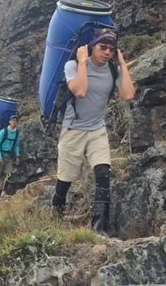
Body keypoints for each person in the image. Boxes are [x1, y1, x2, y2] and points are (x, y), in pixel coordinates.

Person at [51, 29, 135, 234]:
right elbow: (80, 91)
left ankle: (100, 228)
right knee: (65, 180)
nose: (107, 52)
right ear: (92, 47)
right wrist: (82, 61)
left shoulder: (113, 70)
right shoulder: (72, 66)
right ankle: (55, 220)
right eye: (103, 47)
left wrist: (123, 65)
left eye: (112, 49)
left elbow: (128, 95)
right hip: (73, 130)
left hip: (97, 129)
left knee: (103, 173)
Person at [0, 114, 20, 196]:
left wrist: (17, 156)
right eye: (13, 121)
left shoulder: (17, 133)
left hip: (8, 156)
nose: (14, 122)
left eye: (16, 121)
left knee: (9, 174)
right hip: (0, 155)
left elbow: (16, 145)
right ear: (9, 122)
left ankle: (4, 192)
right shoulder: (3, 131)